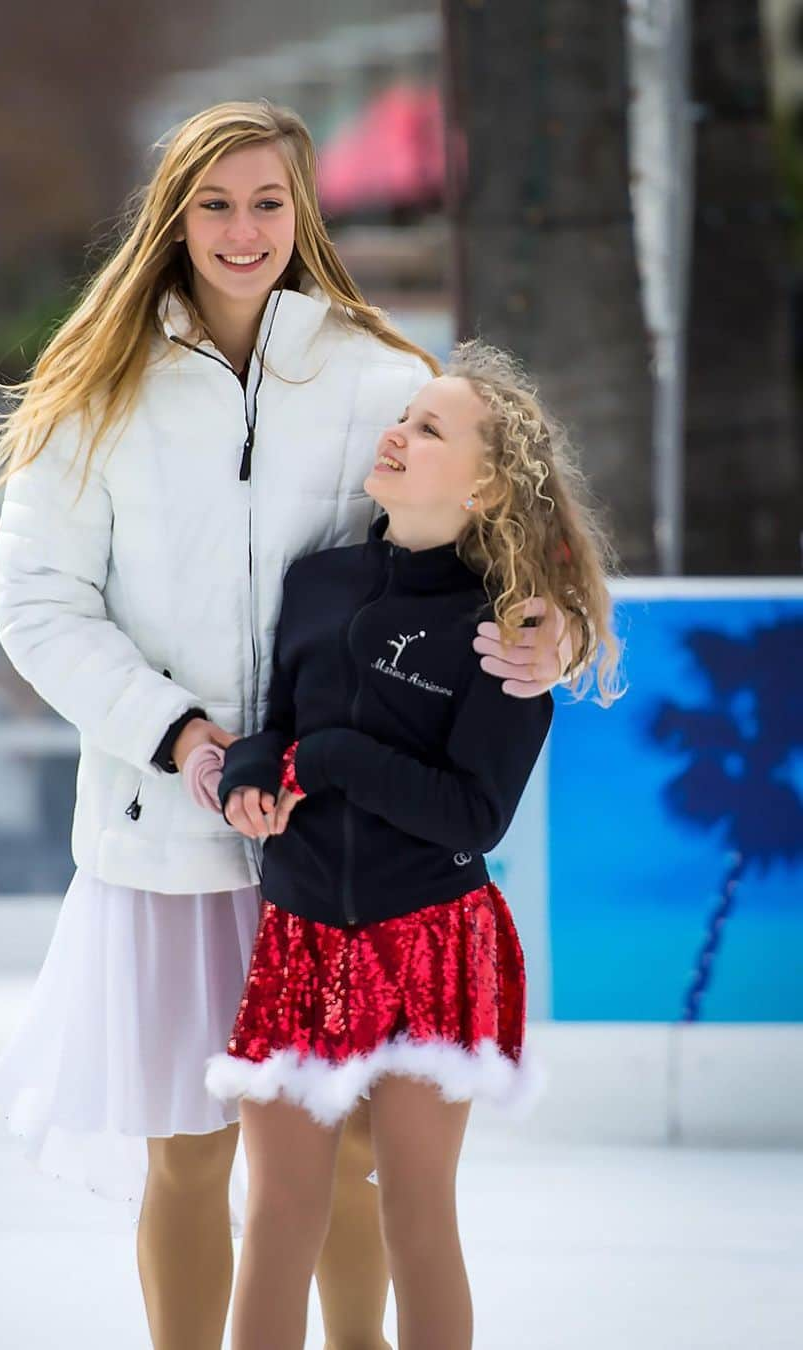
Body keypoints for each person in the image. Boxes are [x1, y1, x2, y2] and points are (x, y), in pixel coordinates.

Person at [0, 100, 574, 1350]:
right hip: (173, 840)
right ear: (173, 216)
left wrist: (554, 630)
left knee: (349, 1161)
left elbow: (493, 534)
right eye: (215, 203)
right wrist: (184, 735)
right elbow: (38, 603)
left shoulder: (379, 376)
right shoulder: (98, 384)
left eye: (268, 202)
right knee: (192, 1162)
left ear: (303, 210)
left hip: (342, 849)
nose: (244, 230)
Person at [207, 342, 623, 1350]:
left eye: (429, 428)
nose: (397, 433)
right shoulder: (317, 580)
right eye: (406, 415)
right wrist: (254, 771)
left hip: (431, 944)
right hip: (302, 936)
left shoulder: (508, 632)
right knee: (276, 1218)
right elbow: (278, 716)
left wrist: (339, 756)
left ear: (485, 487)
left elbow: (473, 816)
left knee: (416, 1217)